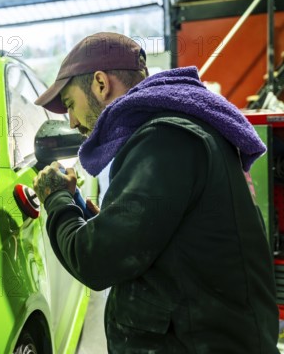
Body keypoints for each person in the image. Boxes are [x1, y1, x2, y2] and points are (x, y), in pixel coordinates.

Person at [32, 32, 279, 353]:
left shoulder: (164, 140)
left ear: (100, 84)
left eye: (70, 104)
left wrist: (56, 199)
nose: (73, 121)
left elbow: (95, 261)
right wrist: (88, 213)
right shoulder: (179, 128)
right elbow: (159, 238)